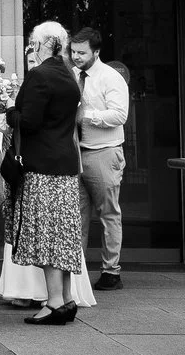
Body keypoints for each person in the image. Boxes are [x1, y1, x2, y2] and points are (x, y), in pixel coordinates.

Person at [10, 21, 86, 326]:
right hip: (65, 164)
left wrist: (7, 112)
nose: (31, 47)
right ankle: (66, 299)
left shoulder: (40, 75)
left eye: (33, 43)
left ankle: (54, 302)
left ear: (44, 44)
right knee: (63, 234)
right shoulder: (68, 74)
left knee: (47, 234)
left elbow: (29, 121)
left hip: (43, 166)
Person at [72, 26, 131, 292]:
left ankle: (111, 271)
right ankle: (78, 271)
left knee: (108, 214)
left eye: (82, 52)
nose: (76, 57)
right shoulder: (72, 74)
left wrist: (88, 116)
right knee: (78, 215)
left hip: (104, 152)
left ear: (96, 52)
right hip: (76, 152)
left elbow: (120, 115)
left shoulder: (110, 77)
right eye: (73, 51)